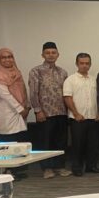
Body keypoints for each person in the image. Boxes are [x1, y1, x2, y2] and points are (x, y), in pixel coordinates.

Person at [29, 41, 71, 178]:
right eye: (48, 53)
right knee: (45, 141)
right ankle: (47, 168)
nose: (51, 55)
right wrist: (38, 110)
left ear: (58, 54)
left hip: (61, 112)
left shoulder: (63, 72)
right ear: (43, 55)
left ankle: (60, 166)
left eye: (53, 52)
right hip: (45, 113)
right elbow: (33, 92)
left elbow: (67, 93)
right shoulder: (36, 71)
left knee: (61, 141)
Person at [63, 53, 99, 176]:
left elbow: (97, 98)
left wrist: (98, 112)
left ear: (90, 64)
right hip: (78, 118)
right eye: (82, 63)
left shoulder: (93, 79)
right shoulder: (70, 80)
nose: (84, 65)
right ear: (77, 64)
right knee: (78, 145)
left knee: (92, 145)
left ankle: (91, 166)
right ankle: (77, 168)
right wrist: (76, 113)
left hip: (93, 117)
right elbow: (67, 98)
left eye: (87, 63)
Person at [0, 48, 30, 143]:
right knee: (9, 140)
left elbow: (23, 90)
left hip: (20, 111)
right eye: (3, 57)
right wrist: (20, 109)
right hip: (7, 111)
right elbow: (5, 95)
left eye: (10, 57)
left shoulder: (17, 72)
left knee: (20, 139)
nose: (7, 59)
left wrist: (27, 106)